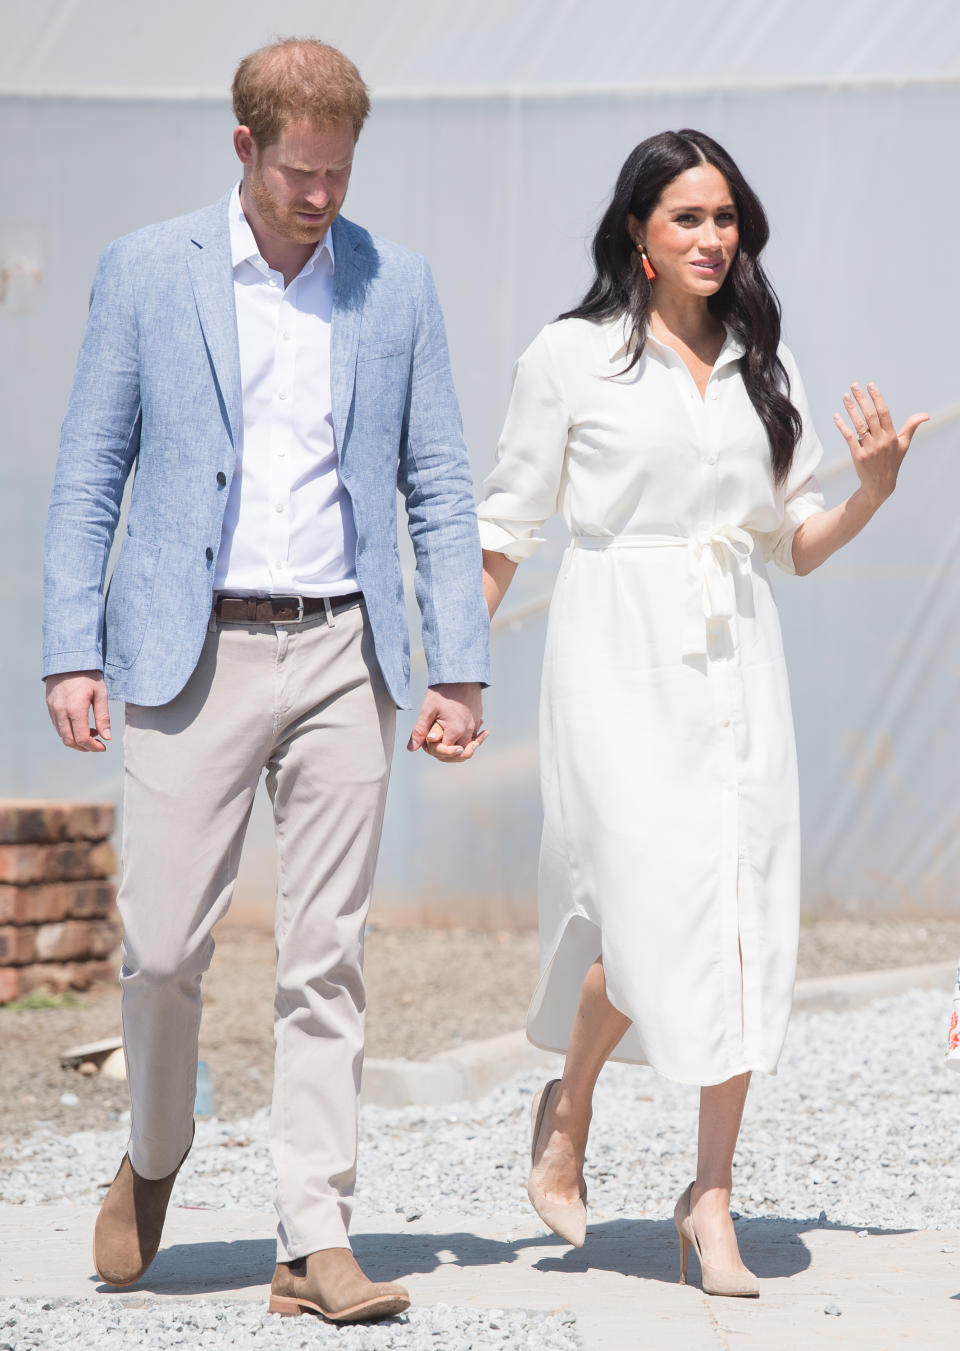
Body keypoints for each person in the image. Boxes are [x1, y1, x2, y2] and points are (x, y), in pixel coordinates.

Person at [42, 38, 489, 1325]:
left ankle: (314, 1235)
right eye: (301, 172)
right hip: (193, 651)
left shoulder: (395, 285)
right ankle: (160, 1146)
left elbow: (440, 484)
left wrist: (454, 666)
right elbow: (90, 471)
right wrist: (74, 645)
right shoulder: (145, 272)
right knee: (163, 944)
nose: (322, 197)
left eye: (340, 174)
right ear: (245, 148)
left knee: (327, 953)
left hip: (348, 650)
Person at [477, 129, 927, 1298]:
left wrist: (871, 491)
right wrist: (452, 673)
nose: (712, 238)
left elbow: (796, 545)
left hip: (737, 659)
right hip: (615, 653)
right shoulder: (569, 358)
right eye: (686, 217)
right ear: (637, 230)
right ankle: (569, 1105)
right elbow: (507, 524)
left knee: (732, 916)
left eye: (725, 217)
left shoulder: (765, 365)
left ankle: (708, 1195)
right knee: (640, 910)